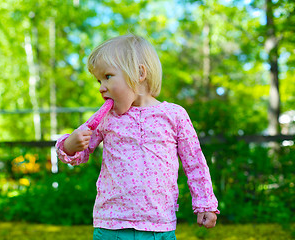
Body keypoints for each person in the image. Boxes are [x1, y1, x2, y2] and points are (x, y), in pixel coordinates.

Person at [56, 34, 219, 240]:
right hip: (111, 225)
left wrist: (205, 203)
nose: (101, 87)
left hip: (158, 226)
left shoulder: (174, 115)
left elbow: (194, 162)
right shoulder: (106, 117)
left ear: (139, 73)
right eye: (98, 80)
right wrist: (70, 144)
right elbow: (78, 153)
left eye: (107, 76)